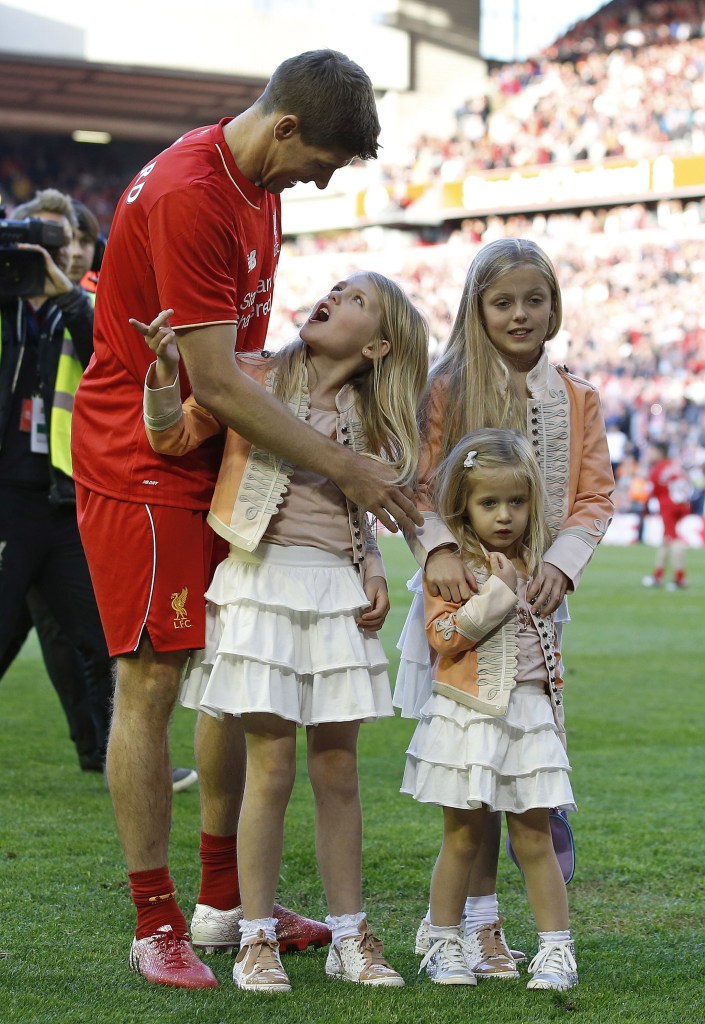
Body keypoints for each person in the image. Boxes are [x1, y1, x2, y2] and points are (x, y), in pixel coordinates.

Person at [70, 49, 422, 990]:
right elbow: (219, 381)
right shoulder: (194, 190)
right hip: (144, 462)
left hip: (213, 457)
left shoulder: (254, 183)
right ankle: (157, 921)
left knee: (227, 675)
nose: (323, 180)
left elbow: (239, 368)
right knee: (150, 678)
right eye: (327, 162)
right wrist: (349, 468)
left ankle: (226, 903)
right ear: (287, 129)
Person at [137, 268, 427, 993]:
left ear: (380, 347)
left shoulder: (375, 416)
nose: (332, 297)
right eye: (335, 288)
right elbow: (172, 438)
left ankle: (351, 936)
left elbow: (359, 513)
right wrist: (166, 374)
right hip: (259, 580)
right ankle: (255, 937)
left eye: (355, 299)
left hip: (332, 590)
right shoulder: (249, 374)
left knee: (338, 770)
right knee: (269, 766)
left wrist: (373, 569)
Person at [394, 237, 614, 978]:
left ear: (553, 307)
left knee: (517, 772)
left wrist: (558, 564)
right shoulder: (446, 388)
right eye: (503, 302)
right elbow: (419, 486)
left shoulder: (577, 397)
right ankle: (472, 926)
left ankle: (481, 927)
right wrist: (437, 551)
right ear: (476, 309)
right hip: (458, 600)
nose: (520, 314)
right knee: (470, 775)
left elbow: (592, 498)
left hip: (538, 607)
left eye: (534, 299)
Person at [403, 429, 578, 990]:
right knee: (463, 837)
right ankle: (445, 940)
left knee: (534, 836)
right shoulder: (452, 569)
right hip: (468, 716)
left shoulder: (541, 567)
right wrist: (496, 596)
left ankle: (556, 950)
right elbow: (443, 637)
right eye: (489, 503)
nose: (505, 516)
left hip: (528, 717)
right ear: (463, 504)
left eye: (517, 502)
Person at [0, 188, 113, 772]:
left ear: (78, 245)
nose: (49, 251)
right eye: (34, 237)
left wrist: (65, 293)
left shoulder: (85, 303)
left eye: (60, 238)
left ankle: (119, 755)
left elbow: (109, 353)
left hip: (65, 497)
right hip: (8, 498)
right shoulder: (9, 298)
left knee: (96, 638)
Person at [642, 440, 691, 590]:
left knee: (673, 539)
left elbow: (650, 492)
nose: (649, 454)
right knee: (666, 541)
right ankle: (657, 577)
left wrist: (645, 510)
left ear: (659, 452)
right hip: (681, 504)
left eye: (652, 451)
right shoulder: (675, 467)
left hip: (668, 506)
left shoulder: (657, 470)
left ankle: (679, 579)